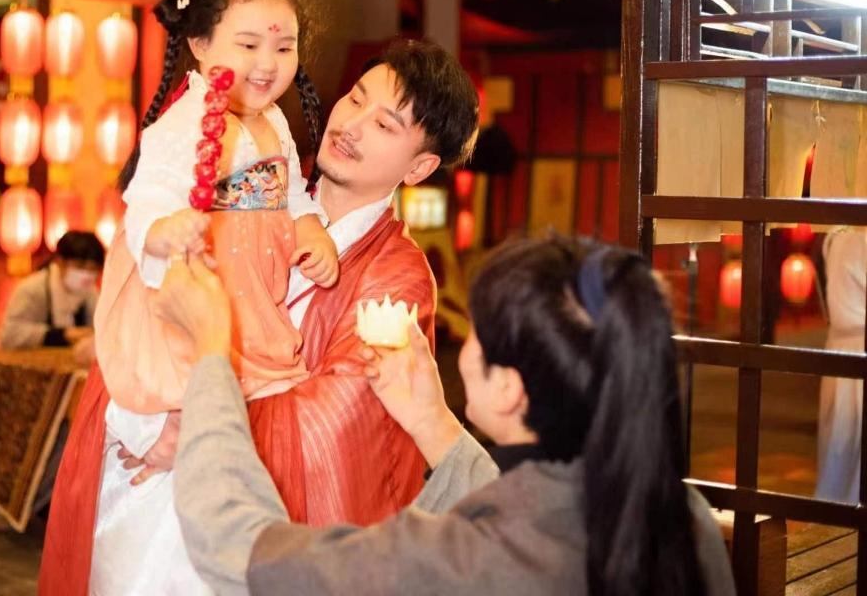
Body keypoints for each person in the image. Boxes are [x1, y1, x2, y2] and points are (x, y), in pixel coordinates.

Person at [39, 37, 480, 595]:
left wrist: (200, 415)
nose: (351, 124)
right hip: (152, 473)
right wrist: (149, 413)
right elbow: (151, 291)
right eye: (355, 98)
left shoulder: (397, 275)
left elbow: (339, 418)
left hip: (249, 513)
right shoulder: (255, 182)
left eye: (384, 125)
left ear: (419, 166)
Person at [163, 238, 737, 596]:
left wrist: (212, 350)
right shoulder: (683, 517)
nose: (461, 346)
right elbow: (539, 515)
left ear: (509, 389)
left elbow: (235, 543)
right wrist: (433, 424)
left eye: (476, 334)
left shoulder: (457, 561)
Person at [88, 0, 340, 595]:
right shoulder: (185, 123)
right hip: (190, 290)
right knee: (180, 428)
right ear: (200, 44)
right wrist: (166, 230)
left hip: (249, 305)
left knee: (232, 440)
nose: (267, 63)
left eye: (283, 46)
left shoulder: (272, 122)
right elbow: (146, 198)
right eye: (248, 44)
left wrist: (310, 226)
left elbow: (291, 193)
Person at [816, 227, 867, 502]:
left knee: (839, 440)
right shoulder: (852, 237)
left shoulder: (835, 236)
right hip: (856, 344)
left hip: (840, 345)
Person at [0, 230, 103, 352]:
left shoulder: (90, 292)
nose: (87, 274)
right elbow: (10, 334)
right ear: (60, 261)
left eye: (93, 269)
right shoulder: (33, 289)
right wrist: (64, 334)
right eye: (80, 266)